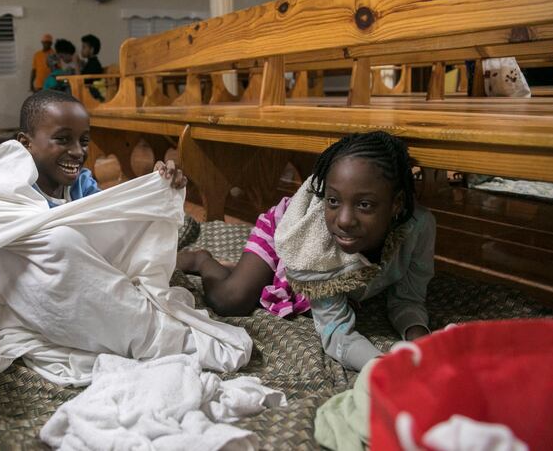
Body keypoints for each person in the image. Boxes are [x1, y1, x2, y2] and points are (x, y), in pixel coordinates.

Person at [0, 89, 253, 386]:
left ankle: (163, 301)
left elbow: (109, 227)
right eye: (63, 139)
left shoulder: (80, 185)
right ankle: (159, 317)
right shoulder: (3, 188)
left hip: (87, 276)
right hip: (22, 291)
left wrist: (155, 187)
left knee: (69, 241)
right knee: (58, 241)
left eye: (84, 141)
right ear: (25, 143)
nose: (77, 151)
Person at [177, 131, 436, 371]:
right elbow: (336, 332)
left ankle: (264, 274)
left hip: (326, 258)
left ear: (397, 204)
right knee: (230, 300)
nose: (344, 220)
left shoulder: (418, 228)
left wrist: (422, 343)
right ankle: (201, 260)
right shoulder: (315, 242)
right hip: (287, 235)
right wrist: (383, 367)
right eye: (333, 200)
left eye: (365, 205)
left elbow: (408, 298)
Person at [78, 34, 105, 101]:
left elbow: (79, 81)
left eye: (84, 47)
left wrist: (76, 64)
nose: (81, 50)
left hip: (91, 95)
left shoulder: (94, 64)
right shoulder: (91, 62)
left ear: (92, 49)